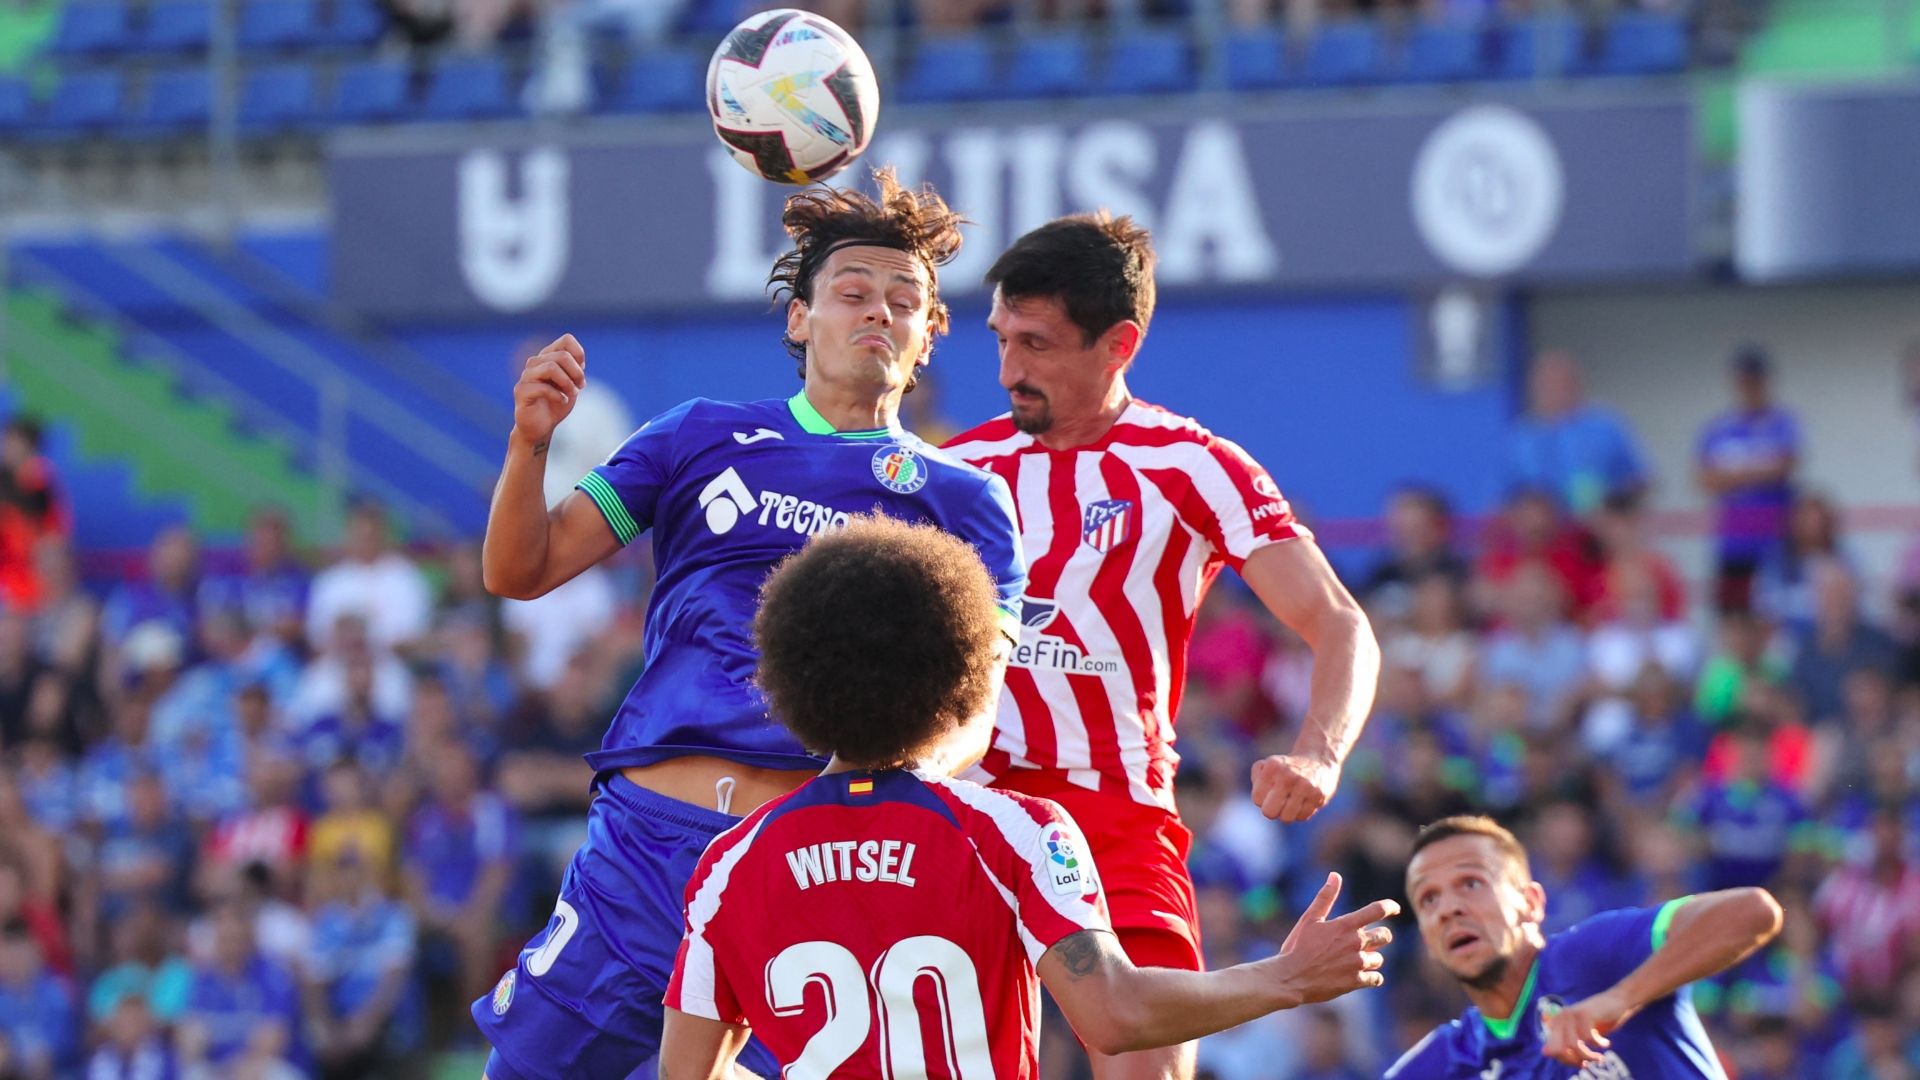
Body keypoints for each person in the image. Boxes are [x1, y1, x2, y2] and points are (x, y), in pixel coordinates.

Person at [471, 169, 1026, 1079]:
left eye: (904, 301)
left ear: (929, 334)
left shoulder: (967, 501)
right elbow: (518, 571)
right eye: (852, 292)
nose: (878, 312)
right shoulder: (696, 435)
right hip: (646, 846)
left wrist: (868, 799)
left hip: (807, 864)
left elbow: (975, 713)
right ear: (800, 318)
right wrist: (530, 444)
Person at [660, 516, 1399, 1076]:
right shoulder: (1015, 829)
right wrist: (1284, 978)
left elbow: (686, 1073)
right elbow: (1114, 1014)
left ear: (793, 673)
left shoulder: (731, 862)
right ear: (956, 672)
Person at [943, 213, 1380, 1080]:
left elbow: (1339, 622)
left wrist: (1319, 753)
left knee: (1146, 1061)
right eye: (1001, 339)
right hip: (971, 802)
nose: (1007, 370)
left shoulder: (1190, 465)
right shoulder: (958, 472)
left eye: (1036, 344)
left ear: (1120, 345)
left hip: (1116, 810)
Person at [1387, 815, 1783, 1078]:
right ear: (1426, 939)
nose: (1449, 909)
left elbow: (1753, 911)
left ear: (1531, 902)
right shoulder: (1447, 1061)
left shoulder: (1591, 958)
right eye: (1428, 899)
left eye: (1471, 883)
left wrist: (1621, 998)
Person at [1696, 347, 1800, 613]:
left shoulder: (1783, 422)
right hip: (1733, 538)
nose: (1749, 388)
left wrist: (1733, 474)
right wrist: (1758, 468)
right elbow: (1704, 479)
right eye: (1744, 381)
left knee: (1776, 610)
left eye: (1755, 381)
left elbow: (1784, 466)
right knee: (1733, 611)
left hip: (1776, 537)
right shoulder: (1718, 428)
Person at [1507, 350, 1649, 518]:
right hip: (1541, 530)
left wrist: (1614, 504)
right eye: (1545, 386)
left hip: (1598, 525)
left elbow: (1638, 479)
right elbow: (1506, 495)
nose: (1553, 392)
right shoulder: (1520, 436)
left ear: (1576, 385)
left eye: (1561, 384)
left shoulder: (1605, 427)